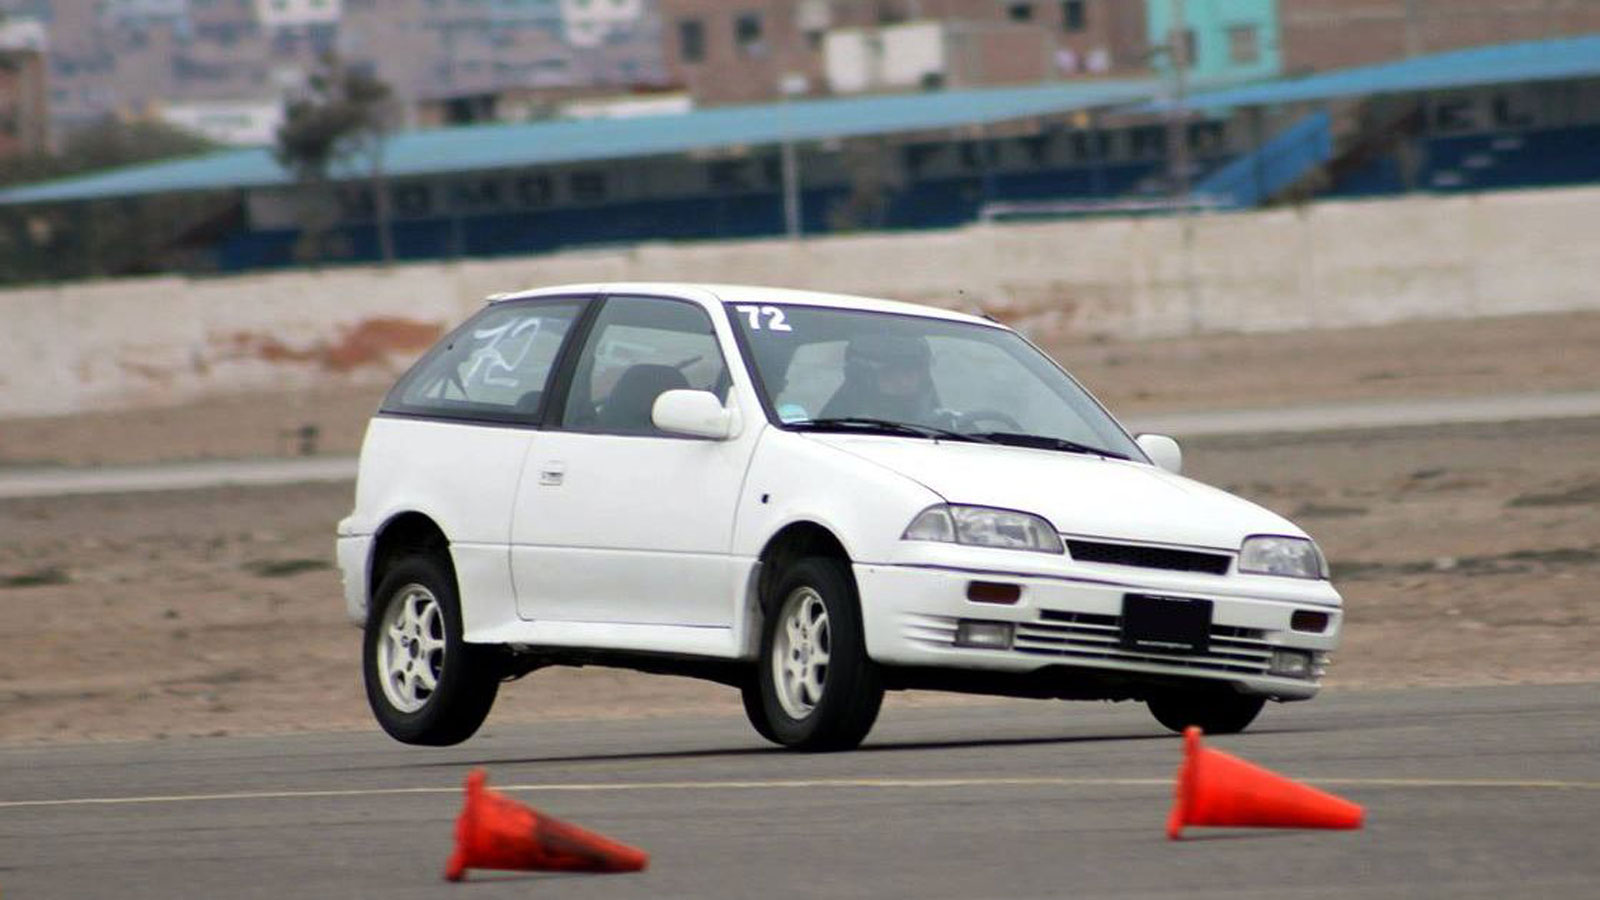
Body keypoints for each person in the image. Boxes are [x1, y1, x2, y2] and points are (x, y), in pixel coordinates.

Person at [819, 331, 940, 425]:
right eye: (890, 373)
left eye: (909, 372)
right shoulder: (838, 421)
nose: (902, 381)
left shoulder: (938, 423)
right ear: (866, 378)